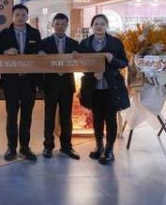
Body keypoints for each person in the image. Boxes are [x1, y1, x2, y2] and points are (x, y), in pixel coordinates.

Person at [79, 14, 130, 165]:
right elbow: (80, 64)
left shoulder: (115, 43)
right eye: (96, 24)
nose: (99, 26)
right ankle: (99, 145)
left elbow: (124, 63)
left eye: (102, 24)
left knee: (110, 118)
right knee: (97, 118)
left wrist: (112, 59)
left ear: (106, 26)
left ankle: (109, 149)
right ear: (92, 26)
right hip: (93, 87)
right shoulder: (85, 43)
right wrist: (92, 74)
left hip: (111, 87)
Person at [0, 4, 42, 161]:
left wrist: (41, 53)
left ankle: (25, 147)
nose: (20, 17)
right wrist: (5, 52)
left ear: (27, 17)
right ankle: (11, 147)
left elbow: (39, 53)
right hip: (11, 82)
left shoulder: (35, 33)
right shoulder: (4, 33)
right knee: (11, 115)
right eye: (17, 14)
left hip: (29, 82)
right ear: (12, 16)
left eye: (23, 15)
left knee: (27, 116)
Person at [39, 13, 81, 160]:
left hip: (67, 85)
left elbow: (80, 62)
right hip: (50, 84)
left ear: (67, 25)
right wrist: (40, 55)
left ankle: (66, 146)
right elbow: (39, 63)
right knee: (49, 117)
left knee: (66, 117)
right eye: (57, 24)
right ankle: (48, 146)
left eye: (63, 24)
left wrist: (77, 56)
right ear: (53, 25)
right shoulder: (44, 43)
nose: (60, 27)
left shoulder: (74, 44)